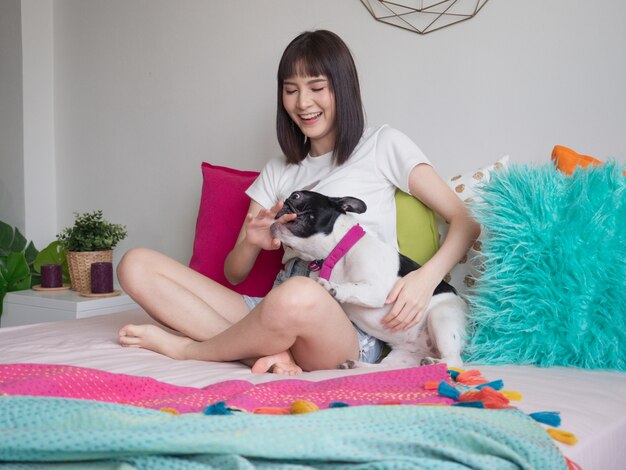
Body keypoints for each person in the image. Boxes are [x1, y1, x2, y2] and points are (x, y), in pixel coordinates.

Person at [117, 30, 480, 375]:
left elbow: (465, 220)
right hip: (273, 305)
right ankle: (269, 351)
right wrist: (251, 243)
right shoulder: (278, 170)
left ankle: (189, 349)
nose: (303, 103)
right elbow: (234, 274)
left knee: (300, 294)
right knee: (135, 265)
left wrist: (423, 281)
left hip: (341, 324)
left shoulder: (383, 145)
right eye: (290, 90)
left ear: (342, 89)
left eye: (316, 88)